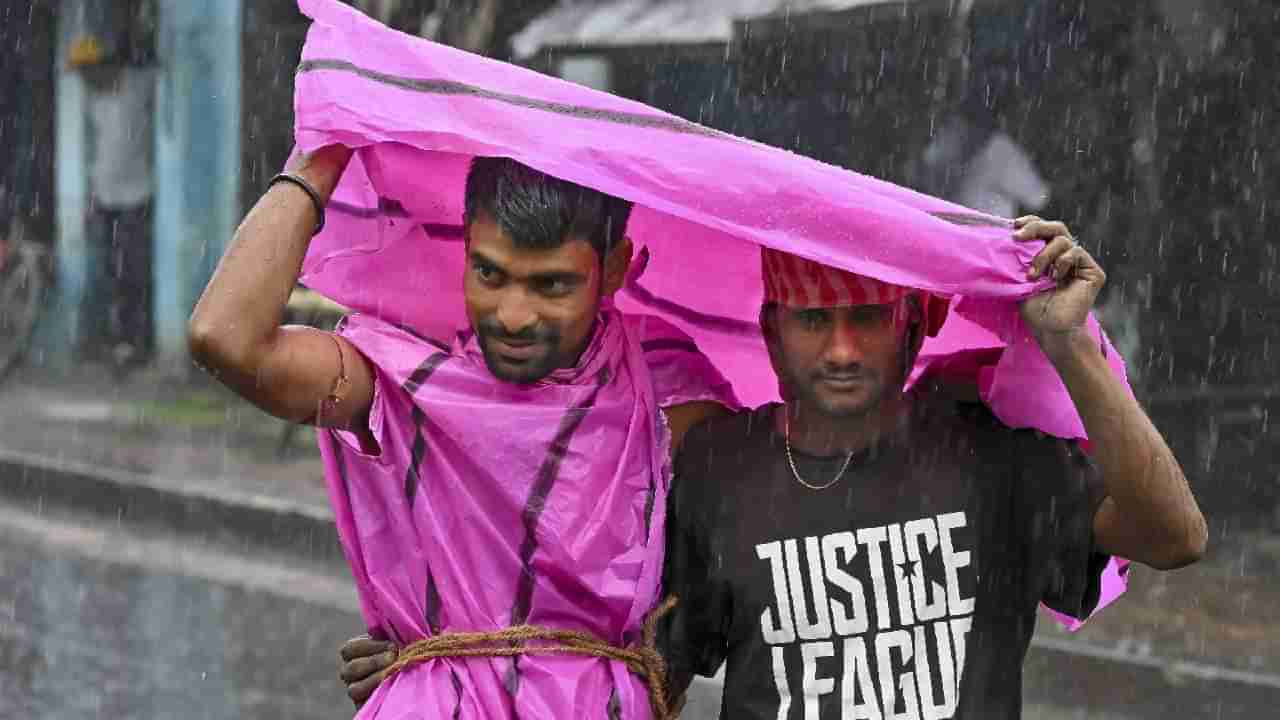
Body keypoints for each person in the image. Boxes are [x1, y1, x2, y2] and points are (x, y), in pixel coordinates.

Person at [340, 216, 1207, 718]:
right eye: (810, 321)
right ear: (768, 331)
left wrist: (1072, 349)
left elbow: (1175, 535)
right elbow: (644, 677)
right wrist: (450, 675)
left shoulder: (990, 454)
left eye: (867, 318)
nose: (840, 349)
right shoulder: (718, 468)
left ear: (916, 324)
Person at [189, 146, 737, 718]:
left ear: (616, 270)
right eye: (489, 274)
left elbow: (741, 559)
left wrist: (623, 667)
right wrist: (321, 159)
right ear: (466, 247)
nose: (514, 315)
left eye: (552, 286)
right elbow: (224, 339)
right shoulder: (407, 382)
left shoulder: (662, 390)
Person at [69, 28, 156, 373]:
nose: (85, 80)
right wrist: (91, 197)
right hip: (105, 200)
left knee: (134, 272)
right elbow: (95, 153)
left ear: (102, 66)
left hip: (137, 197)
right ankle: (114, 340)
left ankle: (135, 341)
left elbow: (159, 70)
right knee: (109, 272)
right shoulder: (94, 101)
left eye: (88, 72)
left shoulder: (137, 85)